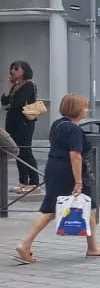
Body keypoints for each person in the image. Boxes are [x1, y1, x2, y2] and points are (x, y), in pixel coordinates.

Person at [14, 93, 100, 264]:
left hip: (54, 168)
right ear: (75, 109)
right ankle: (25, 244)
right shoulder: (73, 129)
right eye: (84, 107)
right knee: (57, 210)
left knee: (66, 208)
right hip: (68, 171)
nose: (86, 110)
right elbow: (75, 155)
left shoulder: (58, 124)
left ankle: (92, 247)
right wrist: (78, 181)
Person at [4, 59, 41, 193]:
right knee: (18, 152)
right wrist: (9, 86)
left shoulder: (29, 85)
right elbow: (4, 101)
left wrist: (12, 100)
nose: (12, 71)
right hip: (13, 122)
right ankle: (23, 182)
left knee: (25, 150)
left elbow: (18, 103)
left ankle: (34, 182)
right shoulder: (15, 86)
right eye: (12, 69)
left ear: (24, 71)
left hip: (25, 122)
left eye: (16, 69)